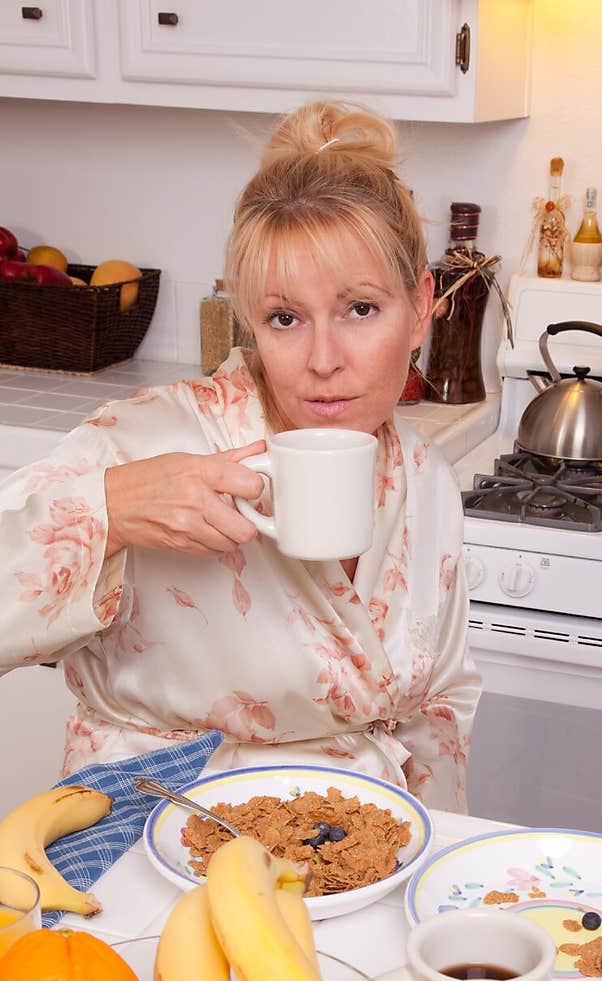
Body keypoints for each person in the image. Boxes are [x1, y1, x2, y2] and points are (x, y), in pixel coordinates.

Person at [0, 101, 481, 813]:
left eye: (359, 310)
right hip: (149, 838)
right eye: (285, 318)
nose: (323, 360)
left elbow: (440, 709)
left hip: (361, 845)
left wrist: (426, 859)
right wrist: (106, 510)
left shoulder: (426, 477)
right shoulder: (148, 441)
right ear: (251, 318)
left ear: (420, 306)